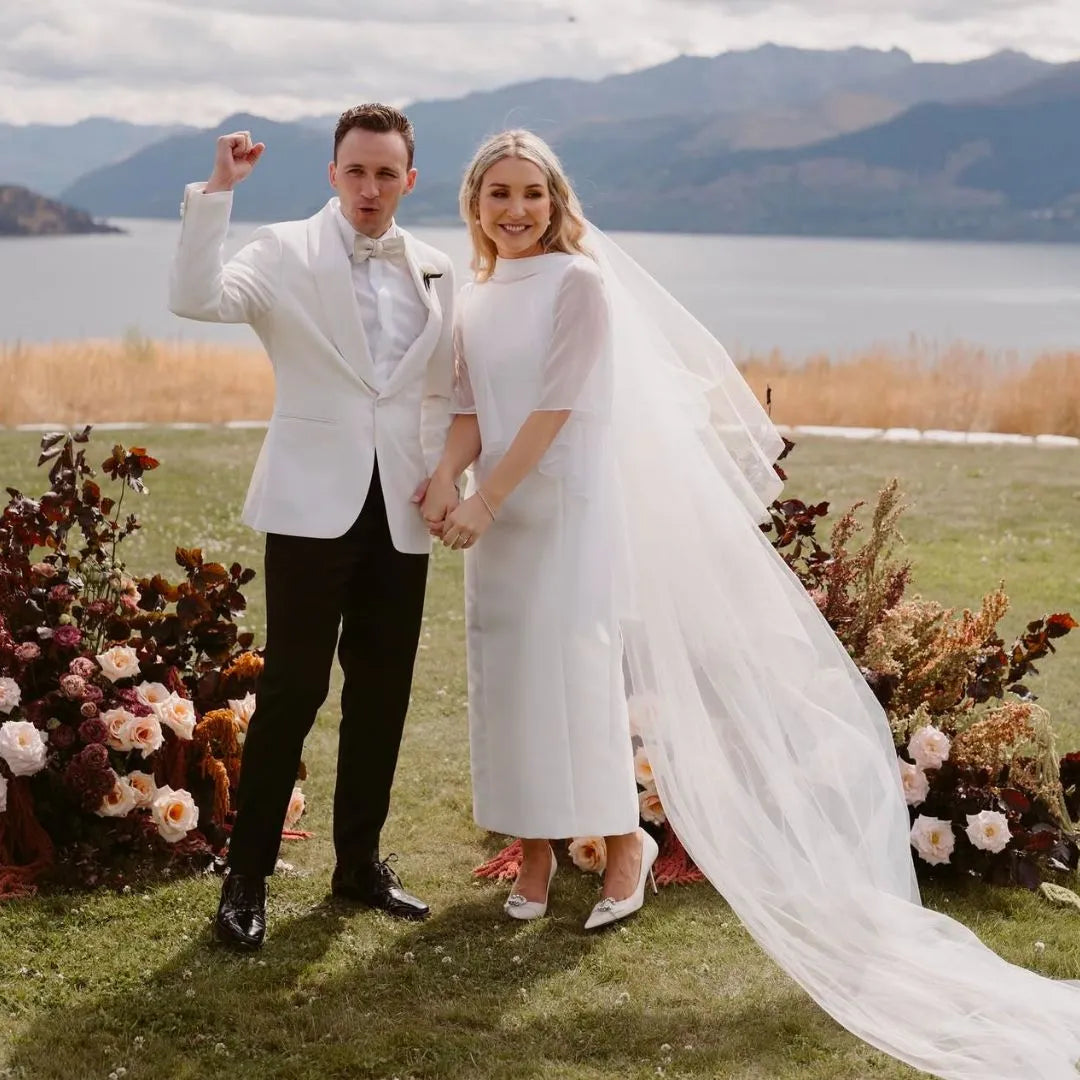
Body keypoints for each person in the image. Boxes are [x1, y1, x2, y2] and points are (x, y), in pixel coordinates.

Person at [422, 130, 1080, 1078]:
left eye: (532, 193)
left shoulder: (580, 284)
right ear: (475, 205)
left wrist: (486, 497)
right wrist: (447, 477)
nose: (516, 210)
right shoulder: (478, 295)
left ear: (556, 201)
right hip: (496, 518)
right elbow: (468, 408)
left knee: (574, 677)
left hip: (560, 507)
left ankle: (623, 847)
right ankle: (531, 854)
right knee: (505, 676)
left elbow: (555, 410)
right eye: (499, 195)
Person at [169, 104, 457, 951]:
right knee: (295, 688)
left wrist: (450, 481)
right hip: (308, 507)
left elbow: (439, 393)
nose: (370, 187)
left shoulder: (436, 268)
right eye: (356, 171)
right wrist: (218, 191)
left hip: (401, 507)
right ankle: (247, 878)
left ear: (409, 180)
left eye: (386, 173)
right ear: (333, 174)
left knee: (383, 692)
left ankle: (358, 864)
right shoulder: (281, 251)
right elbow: (195, 298)